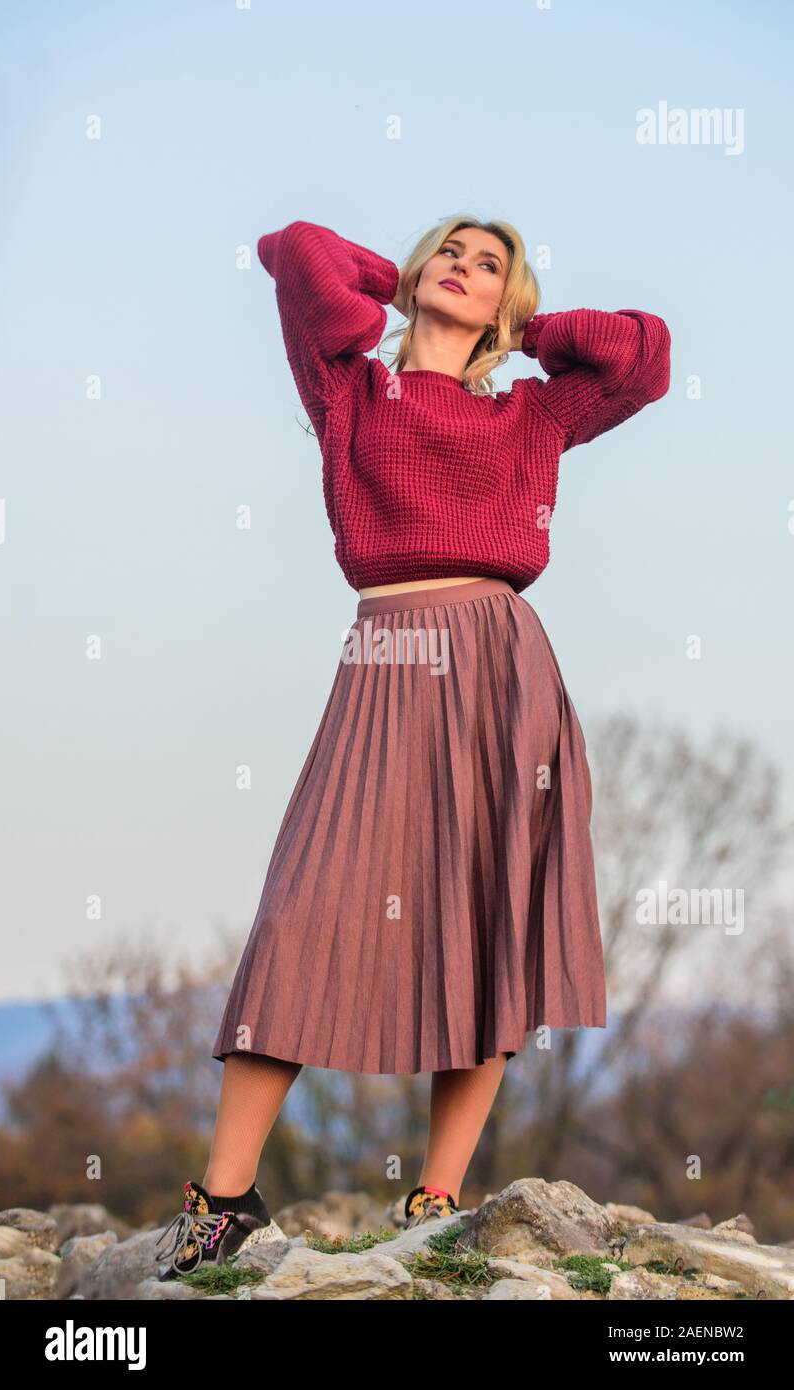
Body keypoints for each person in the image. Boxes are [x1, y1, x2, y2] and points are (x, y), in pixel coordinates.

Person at [155, 216, 671, 1278]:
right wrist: (400, 285)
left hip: (500, 663)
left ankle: (434, 1198)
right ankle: (224, 1199)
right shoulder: (350, 389)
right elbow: (293, 249)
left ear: (508, 299)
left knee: (489, 921)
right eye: (451, 250)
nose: (463, 268)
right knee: (302, 906)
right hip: (386, 657)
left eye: (489, 264)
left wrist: (523, 326)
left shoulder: (533, 411)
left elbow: (647, 355)